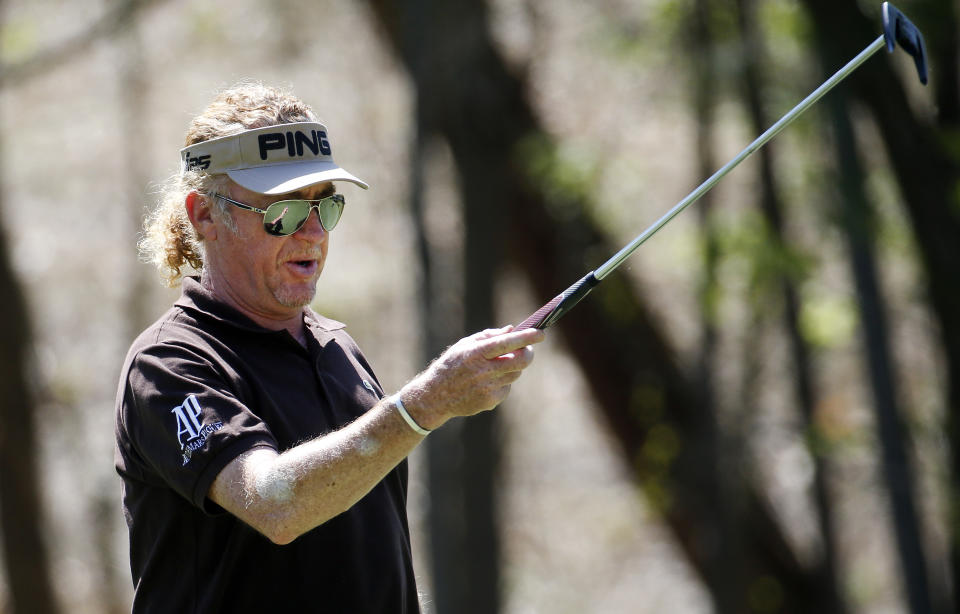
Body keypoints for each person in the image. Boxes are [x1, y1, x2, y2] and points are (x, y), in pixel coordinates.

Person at [114, 82, 544, 613]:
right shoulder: (169, 363)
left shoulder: (336, 345)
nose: (314, 233)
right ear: (204, 215)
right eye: (284, 212)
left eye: (325, 206)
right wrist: (423, 405)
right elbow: (274, 505)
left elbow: (366, 552)